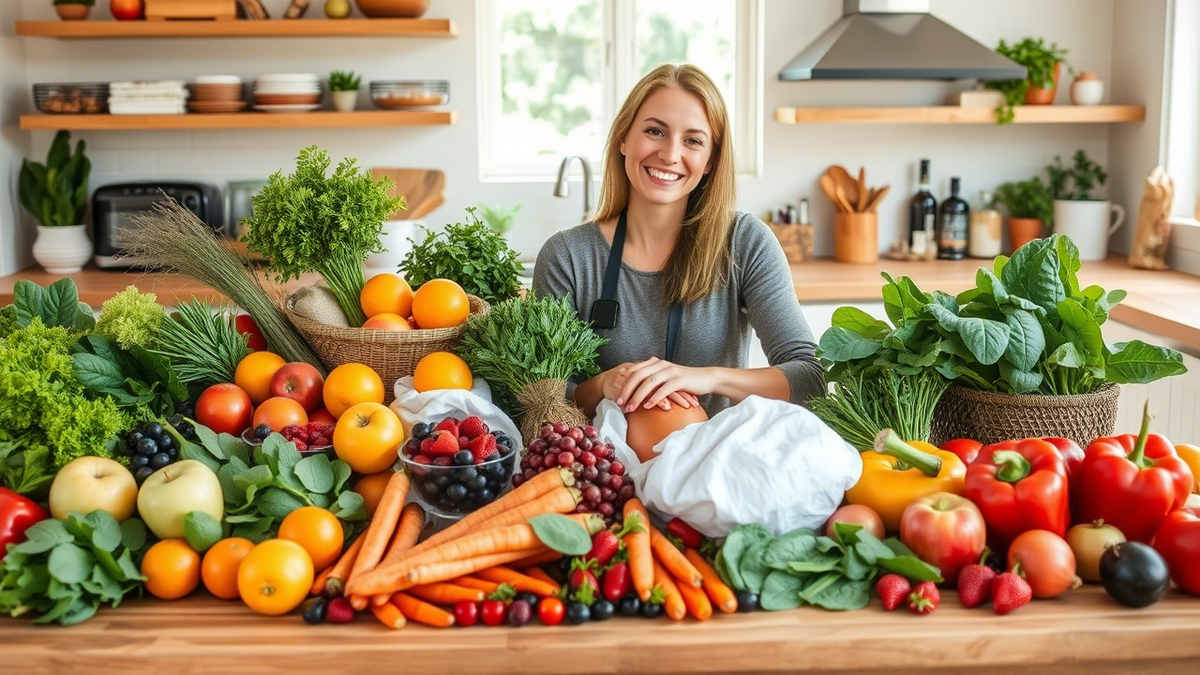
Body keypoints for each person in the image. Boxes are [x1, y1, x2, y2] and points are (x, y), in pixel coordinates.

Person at [533, 63, 824, 419]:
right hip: (606, 469)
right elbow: (542, 399)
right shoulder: (567, 257)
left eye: (693, 140)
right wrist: (605, 384)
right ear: (624, 138)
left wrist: (707, 378)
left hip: (718, 462)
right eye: (655, 131)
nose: (670, 154)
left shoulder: (745, 242)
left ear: (710, 162)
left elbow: (810, 378)